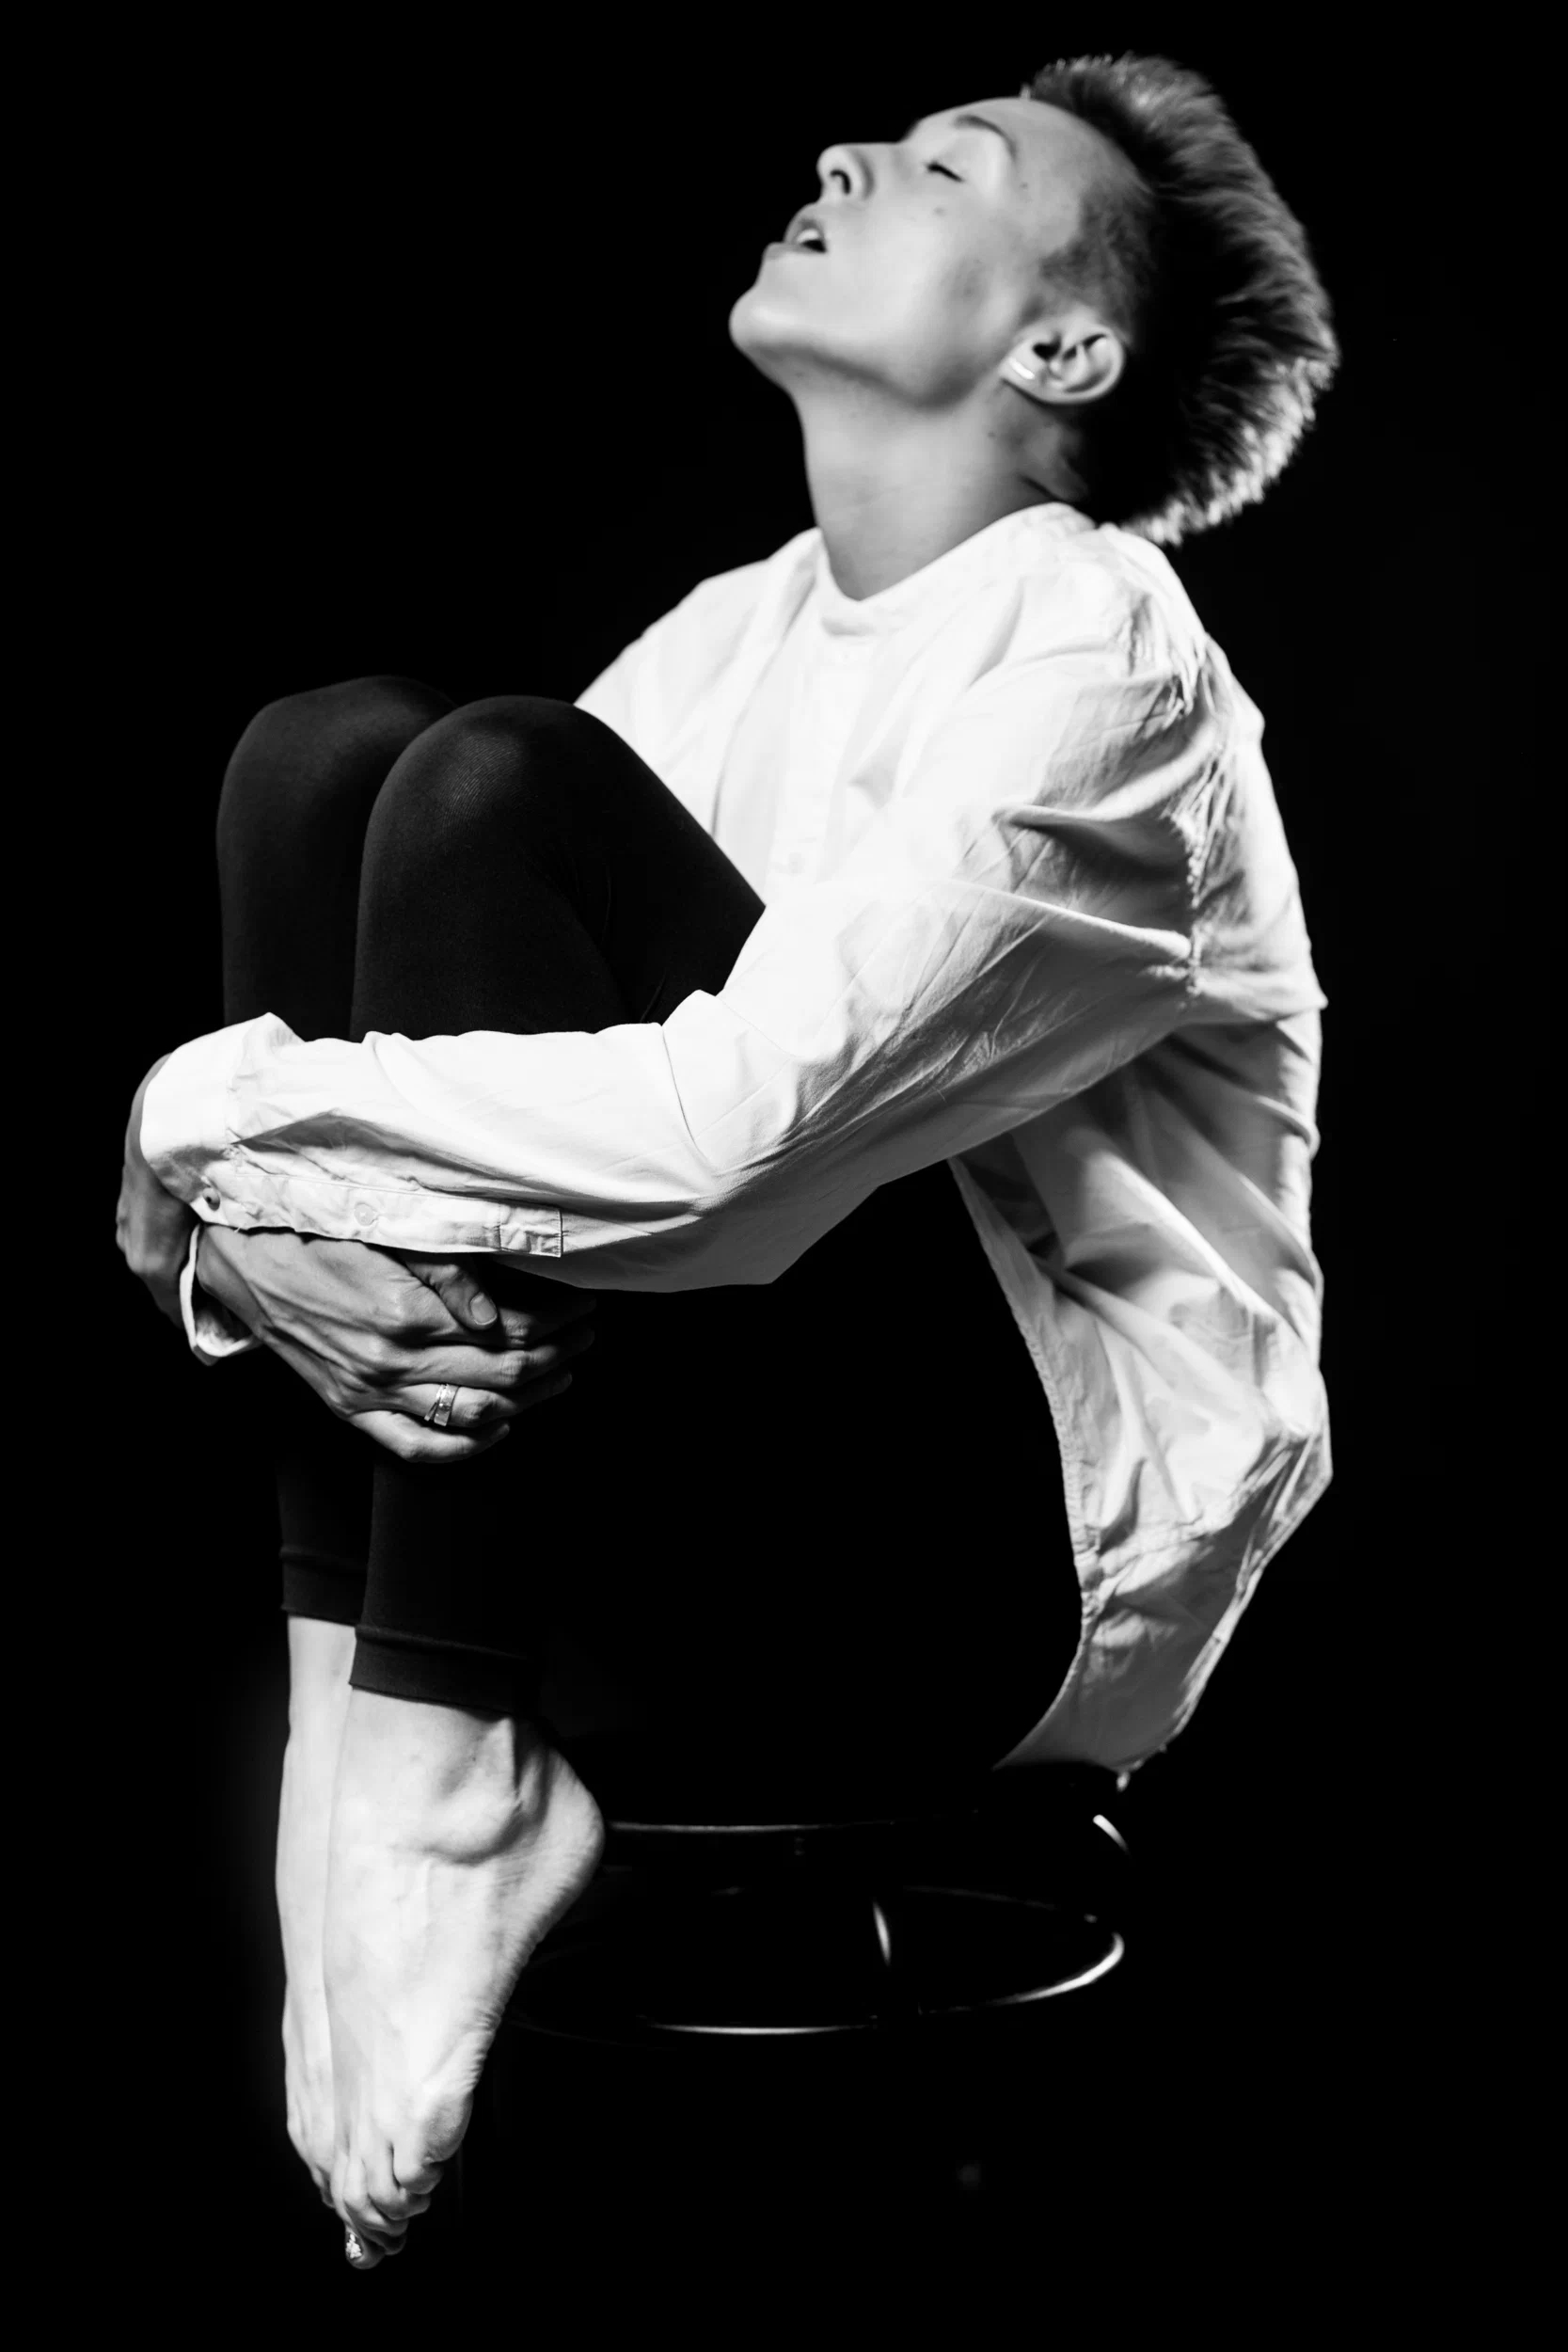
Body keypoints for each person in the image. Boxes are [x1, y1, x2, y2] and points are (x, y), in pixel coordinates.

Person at [115, 53, 1338, 2268]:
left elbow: (721, 1149)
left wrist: (201, 1134)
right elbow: (453, 1094)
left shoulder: (1103, 650)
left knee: (489, 791)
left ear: (1063, 349)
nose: (846, 156)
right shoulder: (735, 633)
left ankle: (433, 1756)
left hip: (955, 1596)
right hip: (673, 1505)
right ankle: (365, 1746)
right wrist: (256, 1237)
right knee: (331, 763)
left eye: (948, 166)